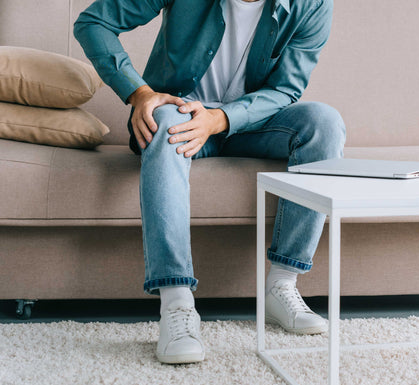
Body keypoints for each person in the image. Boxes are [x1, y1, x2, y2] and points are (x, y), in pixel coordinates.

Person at [74, 0, 345, 364]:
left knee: (325, 123)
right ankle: (176, 302)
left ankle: (282, 283)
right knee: (166, 122)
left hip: (252, 122)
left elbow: (285, 90)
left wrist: (220, 118)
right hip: (179, 116)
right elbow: (93, 22)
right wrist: (139, 93)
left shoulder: (311, 4)